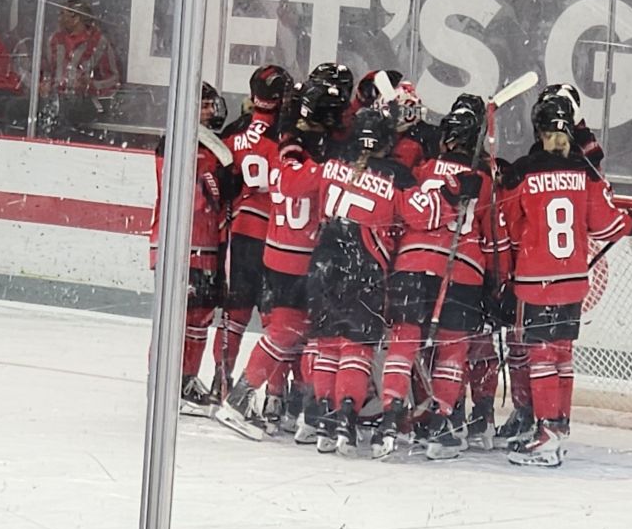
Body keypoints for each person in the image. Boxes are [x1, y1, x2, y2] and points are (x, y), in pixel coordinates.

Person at [275, 108, 472, 456]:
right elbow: (423, 214)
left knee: (326, 344)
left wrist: (290, 145)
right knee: (355, 348)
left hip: (324, 258)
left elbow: (291, 183)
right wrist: (454, 194)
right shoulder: (396, 175)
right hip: (364, 263)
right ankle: (348, 416)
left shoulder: (334, 163)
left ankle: (326, 418)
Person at [499, 92, 632, 467]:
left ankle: (545, 435)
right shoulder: (585, 171)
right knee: (562, 355)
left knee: (539, 356)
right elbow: (606, 225)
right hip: (573, 278)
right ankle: (560, 427)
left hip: (535, 279)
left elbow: (510, 225)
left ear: (538, 131)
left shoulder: (522, 171)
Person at [215, 80, 348, 442]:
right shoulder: (319, 169)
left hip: (275, 255)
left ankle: (276, 406)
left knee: (290, 335)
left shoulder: (287, 155)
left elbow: (292, 155)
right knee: (295, 335)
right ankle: (254, 403)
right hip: (299, 261)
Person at [375, 94, 502, 461]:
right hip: (462, 269)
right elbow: (493, 236)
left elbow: (404, 215)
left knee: (404, 341)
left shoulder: (422, 169)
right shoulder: (485, 179)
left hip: (411, 265)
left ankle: (389, 413)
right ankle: (442, 424)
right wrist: (497, 283)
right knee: (451, 351)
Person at [148, 82, 232, 415]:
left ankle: (185, 379)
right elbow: (186, 194)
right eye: (205, 105)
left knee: (199, 317)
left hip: (205, 245)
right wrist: (215, 184)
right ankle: (161, 382)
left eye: (213, 104)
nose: (212, 111)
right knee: (174, 317)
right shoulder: (174, 142)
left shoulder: (209, 144)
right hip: (177, 245)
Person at [216, 65, 293, 382]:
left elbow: (223, 184)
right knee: (276, 318)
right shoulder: (289, 136)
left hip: (242, 233)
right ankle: (275, 394)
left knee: (235, 313)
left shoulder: (234, 132)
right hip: (277, 236)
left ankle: (222, 380)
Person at [38, 0, 120, 141]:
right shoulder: (53, 40)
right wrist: (43, 84)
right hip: (55, 98)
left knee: (63, 112)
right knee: (16, 107)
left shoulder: (99, 42)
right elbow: (45, 70)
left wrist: (91, 84)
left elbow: (114, 78)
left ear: (76, 18)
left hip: (86, 101)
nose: (59, 19)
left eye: (62, 14)